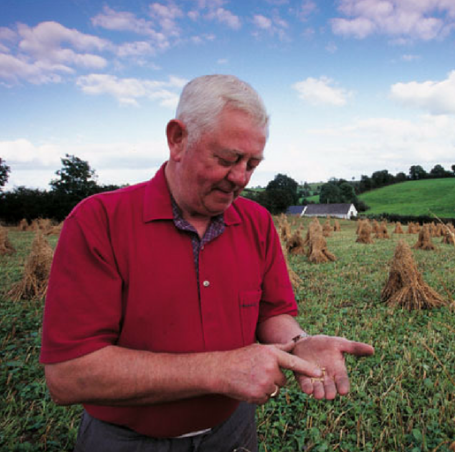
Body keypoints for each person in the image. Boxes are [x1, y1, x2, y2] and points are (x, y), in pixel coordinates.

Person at [40, 74, 374, 451]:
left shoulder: (257, 223)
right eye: (227, 159)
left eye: (252, 163)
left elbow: (271, 313)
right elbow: (68, 375)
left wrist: (299, 343)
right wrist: (219, 371)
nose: (240, 178)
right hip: (127, 440)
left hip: (233, 431)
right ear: (178, 139)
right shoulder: (98, 221)